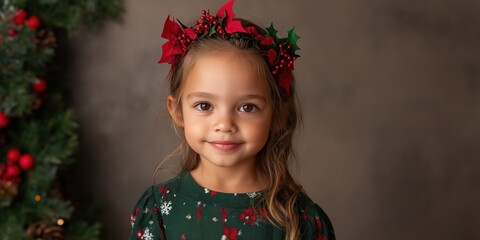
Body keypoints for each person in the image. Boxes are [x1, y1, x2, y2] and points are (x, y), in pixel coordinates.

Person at [129, 0, 335, 239]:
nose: (225, 124)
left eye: (247, 107)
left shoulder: (303, 220)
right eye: (204, 105)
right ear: (177, 111)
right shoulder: (157, 209)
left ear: (278, 115)